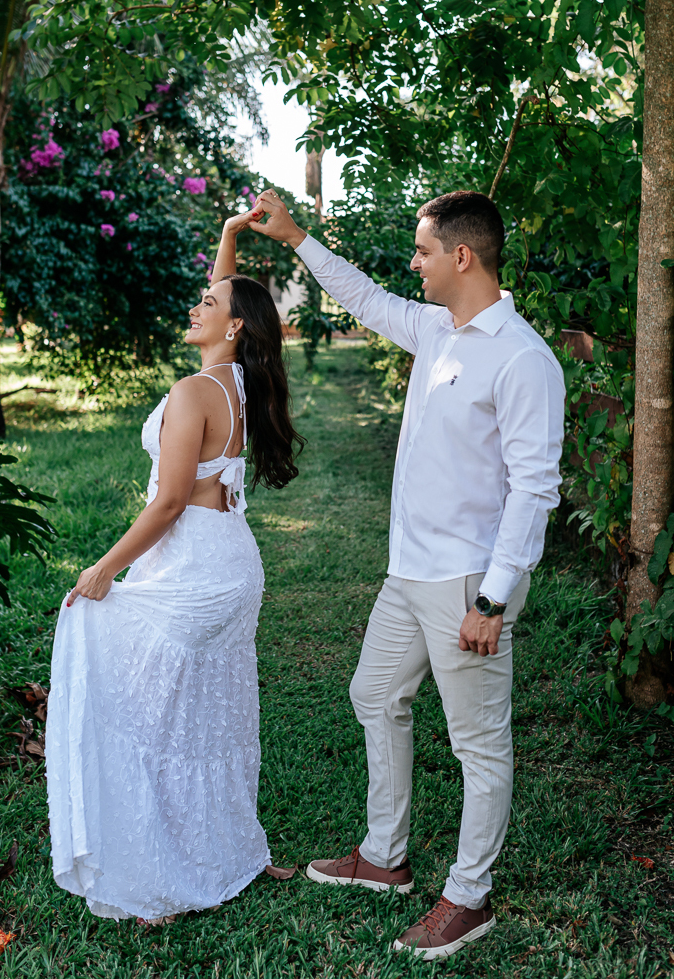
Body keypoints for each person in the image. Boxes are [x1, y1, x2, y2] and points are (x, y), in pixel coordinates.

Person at [248, 188, 565, 960]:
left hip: (467, 586)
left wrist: (494, 599)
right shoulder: (434, 330)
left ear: (463, 256)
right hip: (406, 576)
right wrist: (296, 239)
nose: (412, 264)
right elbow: (361, 295)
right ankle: (384, 857)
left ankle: (469, 896)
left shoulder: (523, 358)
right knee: (373, 694)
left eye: (423, 251)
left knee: (478, 746)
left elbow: (535, 490)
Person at [45, 210, 304, 922]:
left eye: (209, 304)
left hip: (191, 561)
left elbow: (164, 506)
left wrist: (102, 569)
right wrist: (227, 232)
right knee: (210, 724)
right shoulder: (240, 385)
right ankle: (229, 853)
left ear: (233, 330)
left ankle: (164, 870)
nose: (197, 303)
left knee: (156, 718)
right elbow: (228, 290)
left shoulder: (196, 393)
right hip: (228, 562)